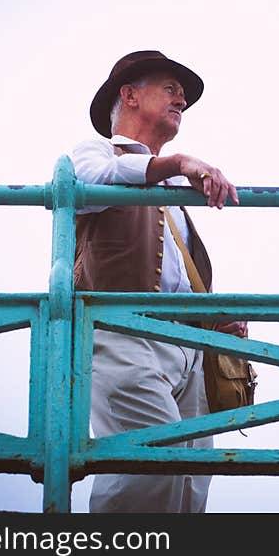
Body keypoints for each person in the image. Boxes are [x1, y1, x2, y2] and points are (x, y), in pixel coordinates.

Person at [71, 50, 247, 513]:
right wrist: (179, 162)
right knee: (149, 468)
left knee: (190, 487)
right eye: (171, 89)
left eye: (182, 96)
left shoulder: (173, 187)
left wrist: (214, 323)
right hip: (124, 335)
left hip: (186, 346)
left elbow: (177, 276)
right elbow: (87, 183)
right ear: (128, 96)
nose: (181, 101)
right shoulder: (94, 152)